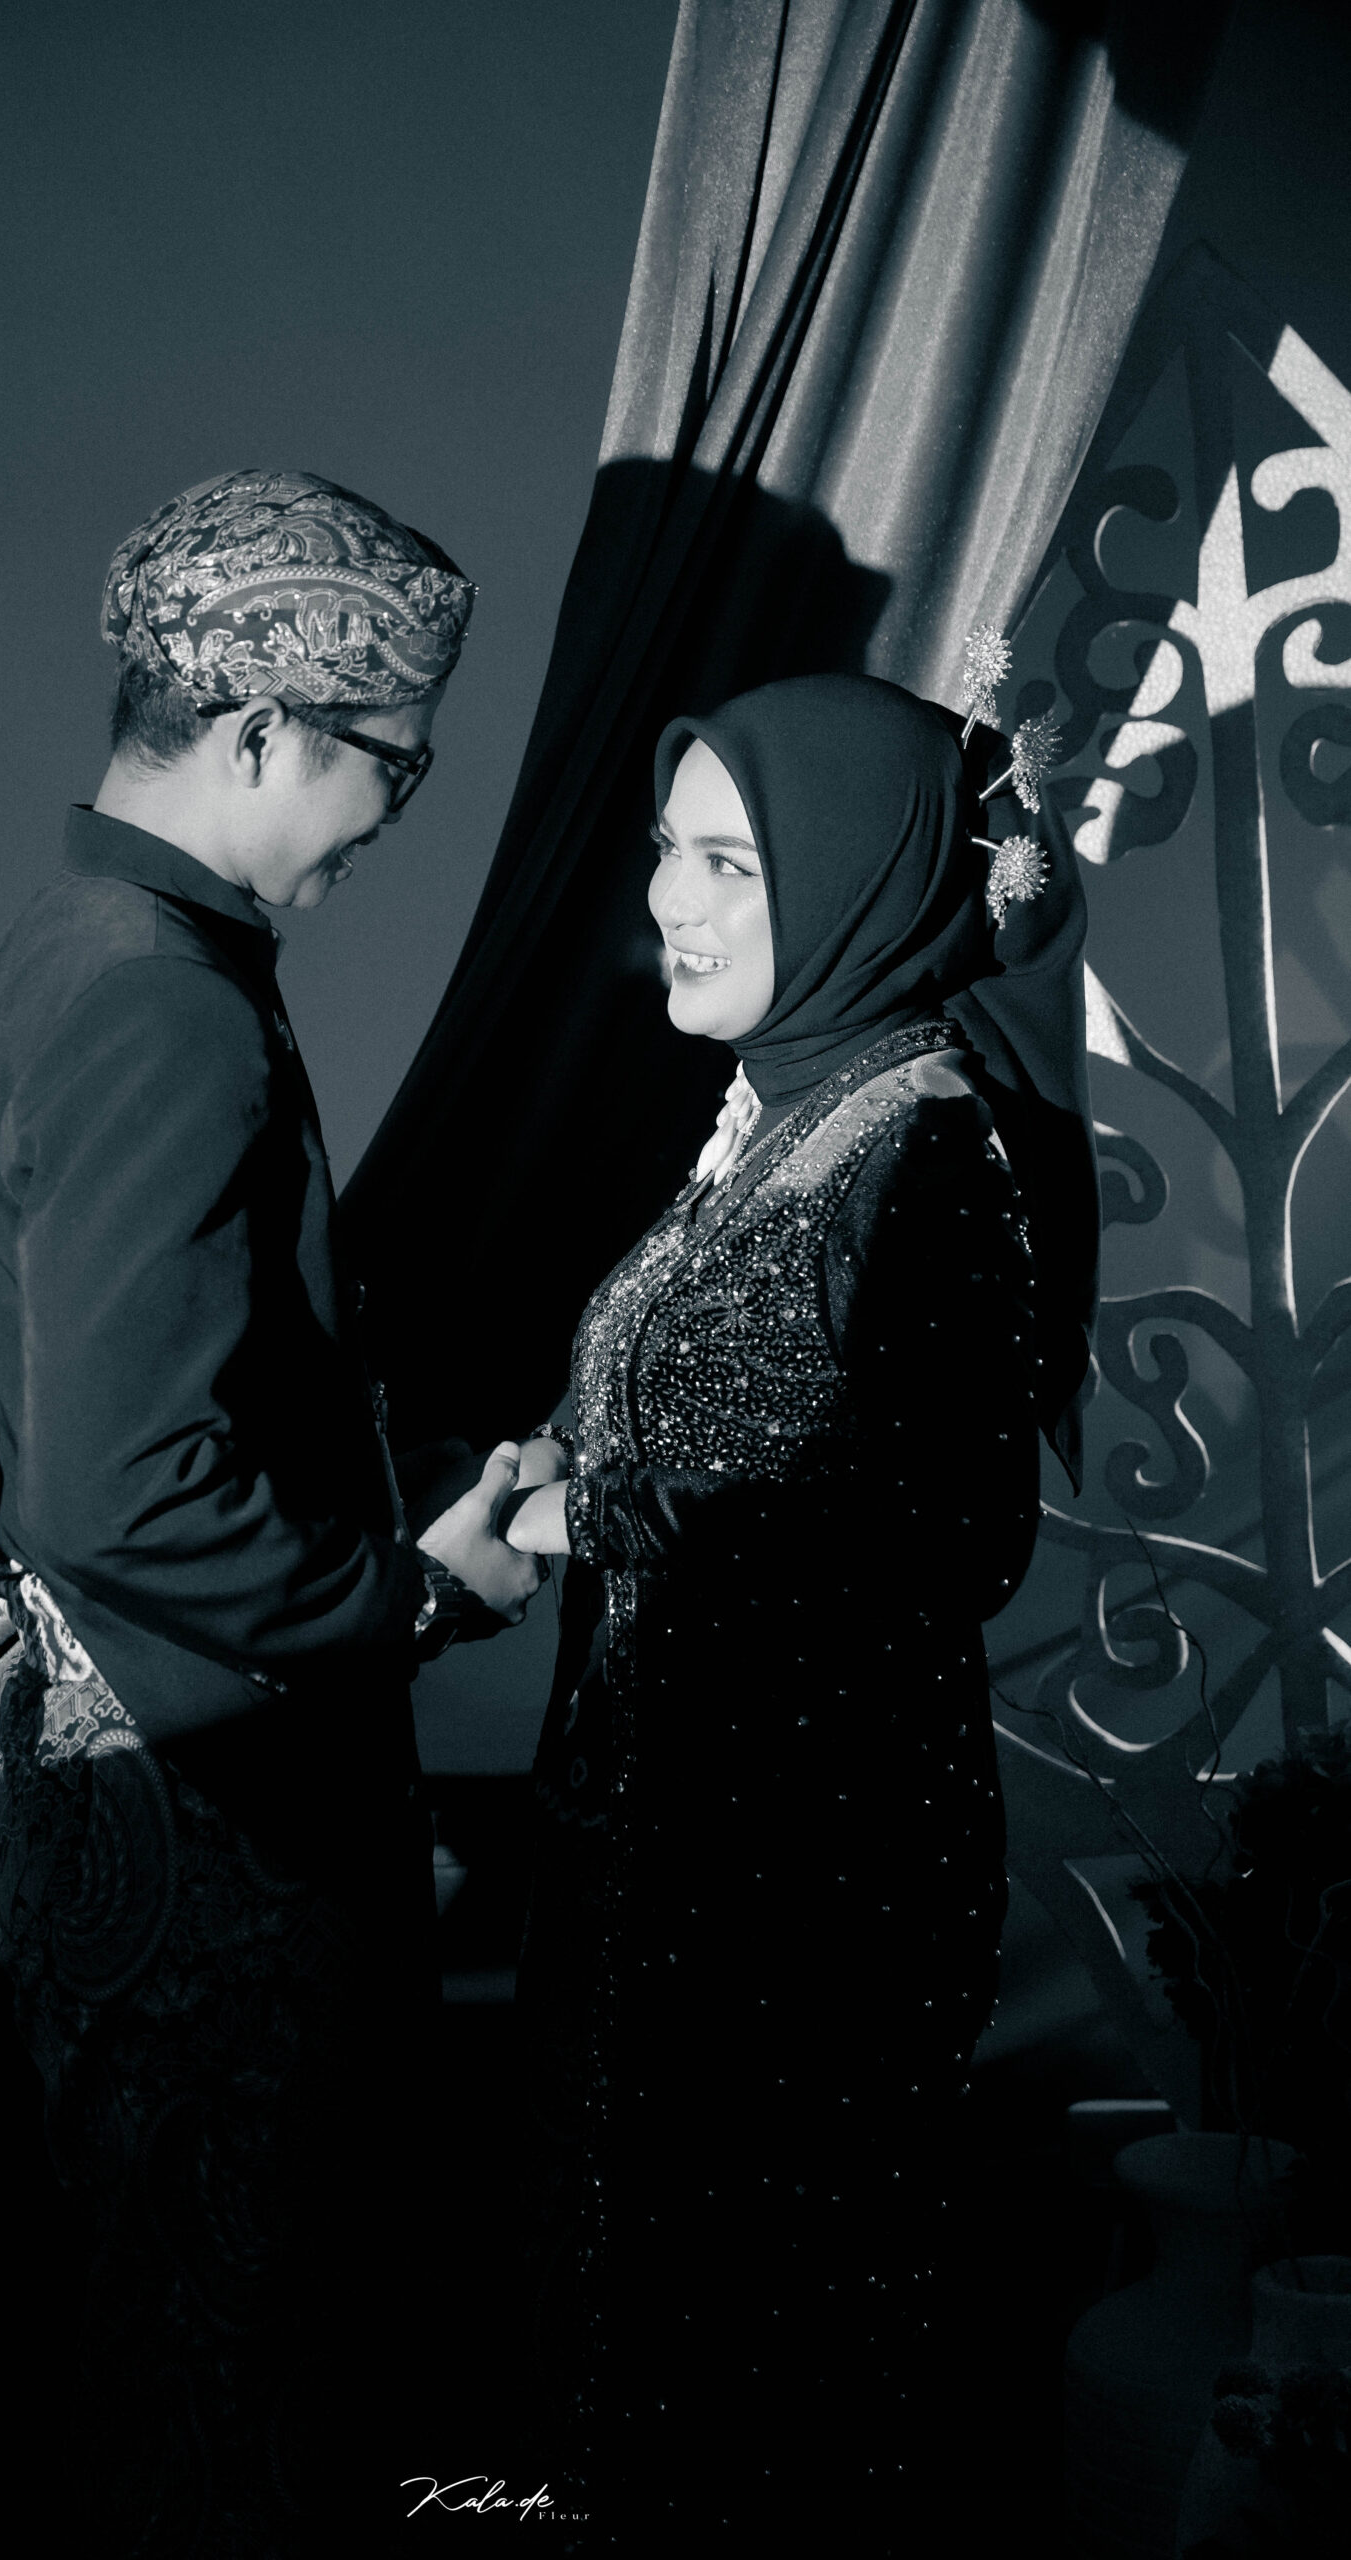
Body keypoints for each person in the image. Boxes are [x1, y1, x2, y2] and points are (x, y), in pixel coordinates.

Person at [0, 469, 540, 2557]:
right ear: (264, 729)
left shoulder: (79, 940)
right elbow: (137, 1492)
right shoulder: (160, 998)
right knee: (231, 2390)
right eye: (393, 762)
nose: (394, 813)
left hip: (117, 1791)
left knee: (165, 2359)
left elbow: (22, 1400)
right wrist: (417, 1596)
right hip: (205, 1839)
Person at [502, 673, 1097, 2548]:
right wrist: (567, 1459)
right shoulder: (786, 1113)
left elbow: (940, 1530)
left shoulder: (924, 1146)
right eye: (665, 850)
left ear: (851, 877)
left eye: (728, 862)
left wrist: (592, 1509)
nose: (666, 900)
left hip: (798, 1893)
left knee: (757, 2406)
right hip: (675, 1865)